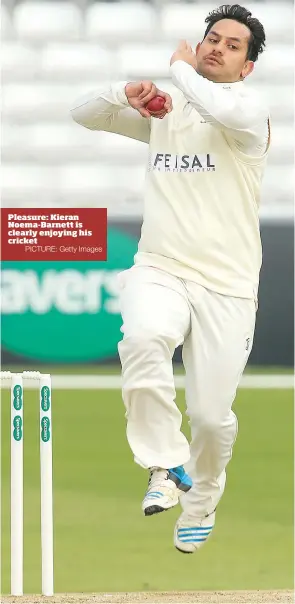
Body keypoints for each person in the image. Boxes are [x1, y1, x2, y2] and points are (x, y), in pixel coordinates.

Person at [71, 4, 270, 554]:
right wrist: (124, 93)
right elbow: (81, 113)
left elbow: (220, 110)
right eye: (211, 38)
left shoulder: (253, 110)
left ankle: (202, 495)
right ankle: (163, 463)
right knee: (142, 339)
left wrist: (179, 70)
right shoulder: (168, 109)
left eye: (233, 45)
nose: (216, 48)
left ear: (248, 66)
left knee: (210, 417)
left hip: (228, 284)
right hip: (161, 264)